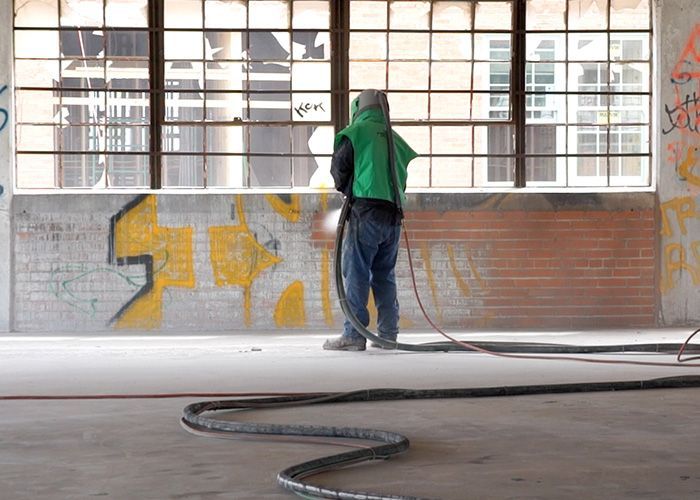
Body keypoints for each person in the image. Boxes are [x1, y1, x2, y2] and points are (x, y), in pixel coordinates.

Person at [323, 89, 417, 351]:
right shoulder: (394, 139)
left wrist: (347, 189)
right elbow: (402, 180)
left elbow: (339, 169)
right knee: (384, 275)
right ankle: (388, 334)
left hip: (366, 213)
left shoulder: (355, 133)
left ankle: (354, 335)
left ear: (358, 109)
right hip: (394, 217)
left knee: (356, 273)